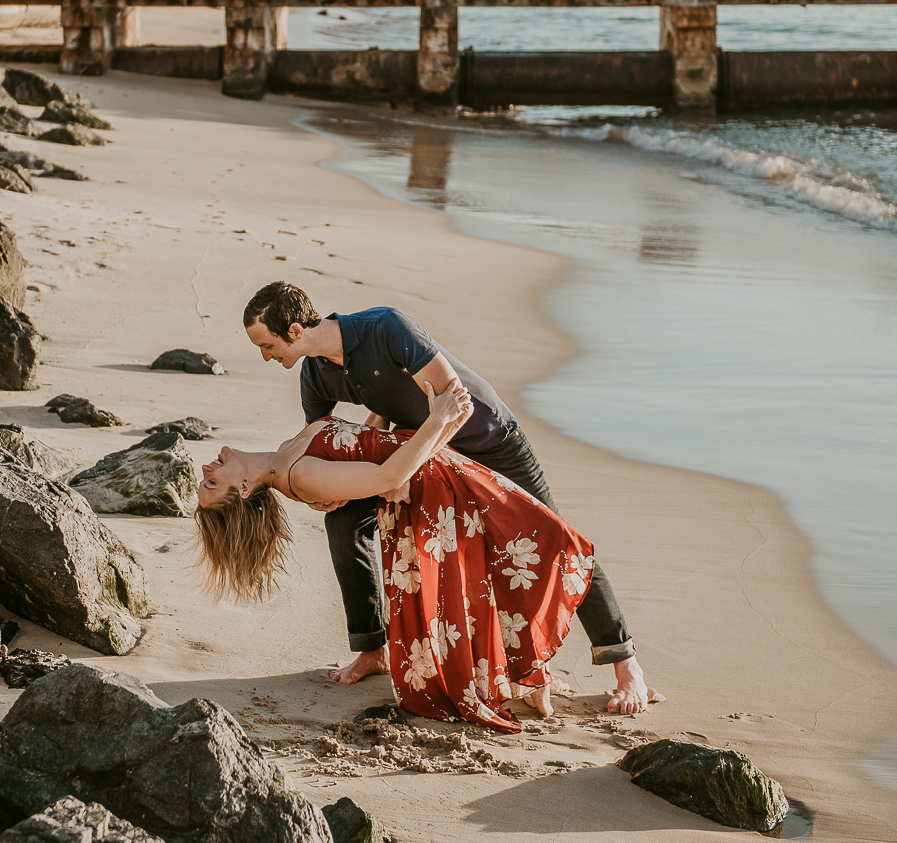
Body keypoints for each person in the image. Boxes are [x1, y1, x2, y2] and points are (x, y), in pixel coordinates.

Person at [242, 281, 649, 714]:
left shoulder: (385, 327)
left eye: (267, 345)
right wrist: (332, 491)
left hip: (489, 440)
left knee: (556, 540)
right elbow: (324, 440)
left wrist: (401, 468)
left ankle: (626, 665)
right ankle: (371, 648)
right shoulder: (316, 374)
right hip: (423, 456)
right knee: (344, 519)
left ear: (294, 330)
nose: (266, 356)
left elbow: (457, 404)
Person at [195, 387, 600, 733]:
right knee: (541, 544)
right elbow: (388, 478)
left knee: (508, 561)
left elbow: (363, 443)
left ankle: (529, 673)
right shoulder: (298, 476)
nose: (205, 467)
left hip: (435, 469)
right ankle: (531, 672)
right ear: (245, 489)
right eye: (212, 482)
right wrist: (440, 420)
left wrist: (384, 405)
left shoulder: (285, 455)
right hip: (437, 486)